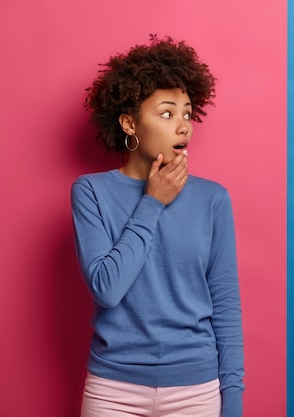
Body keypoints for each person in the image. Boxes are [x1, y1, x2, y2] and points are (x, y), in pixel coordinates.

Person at [71, 36, 244, 417]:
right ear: (130, 122)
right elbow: (107, 288)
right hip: (112, 390)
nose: (182, 125)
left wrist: (232, 401)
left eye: (187, 113)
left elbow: (226, 306)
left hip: (196, 392)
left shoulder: (213, 199)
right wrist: (152, 202)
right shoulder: (91, 192)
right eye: (167, 113)